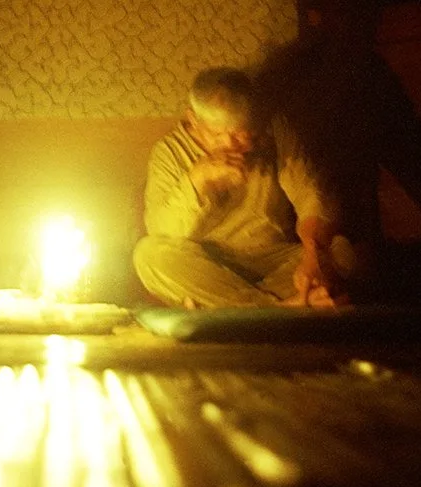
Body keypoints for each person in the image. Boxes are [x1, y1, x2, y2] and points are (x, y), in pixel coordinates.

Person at [133, 66, 356, 309]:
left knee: (341, 252)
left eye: (241, 134)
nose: (230, 144)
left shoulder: (272, 133)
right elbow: (161, 230)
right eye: (217, 134)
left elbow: (310, 193)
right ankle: (283, 308)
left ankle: (231, 309)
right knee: (149, 255)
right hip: (208, 263)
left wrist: (313, 254)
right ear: (193, 120)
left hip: (272, 260)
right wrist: (198, 181)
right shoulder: (170, 151)